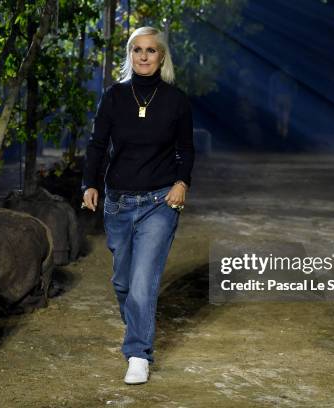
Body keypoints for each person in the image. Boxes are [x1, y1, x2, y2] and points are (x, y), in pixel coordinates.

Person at [81, 26, 195, 385]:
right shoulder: (114, 97)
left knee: (144, 282)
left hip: (159, 201)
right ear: (130, 56)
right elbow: (97, 145)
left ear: (162, 57)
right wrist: (89, 183)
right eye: (137, 50)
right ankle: (137, 327)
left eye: (151, 50)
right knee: (123, 283)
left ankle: (137, 354)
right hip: (118, 202)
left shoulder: (176, 100)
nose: (144, 56)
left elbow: (186, 149)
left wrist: (182, 183)